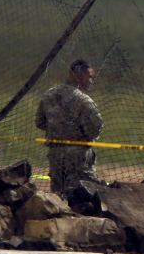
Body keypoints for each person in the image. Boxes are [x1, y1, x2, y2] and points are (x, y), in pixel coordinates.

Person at [35, 59, 104, 196]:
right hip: (78, 157)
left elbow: (40, 122)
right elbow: (95, 127)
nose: (91, 81)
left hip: (55, 154)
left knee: (59, 195)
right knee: (85, 195)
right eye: (89, 76)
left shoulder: (49, 95)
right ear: (77, 75)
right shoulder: (83, 100)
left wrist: (58, 129)